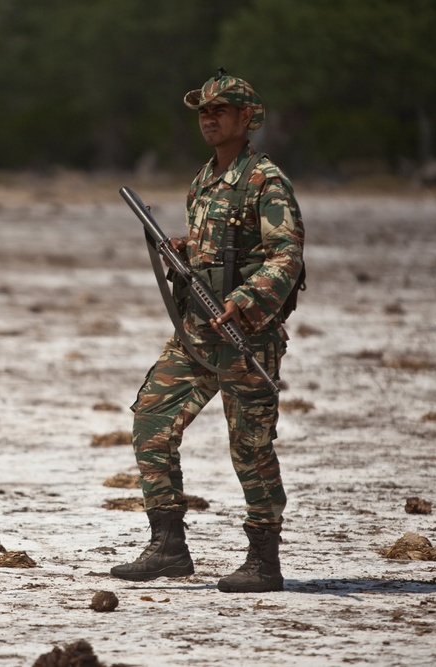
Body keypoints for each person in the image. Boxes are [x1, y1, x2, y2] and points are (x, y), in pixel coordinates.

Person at [110, 70, 305, 593]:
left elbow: (286, 254)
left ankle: (263, 559)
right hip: (196, 333)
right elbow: (212, 249)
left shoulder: (265, 179)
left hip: (248, 337)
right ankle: (168, 546)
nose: (209, 119)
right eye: (203, 112)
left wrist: (245, 301)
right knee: (153, 417)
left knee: (250, 445)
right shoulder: (203, 181)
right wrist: (181, 250)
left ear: (247, 118)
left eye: (220, 111)